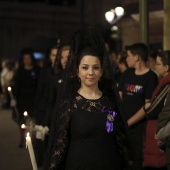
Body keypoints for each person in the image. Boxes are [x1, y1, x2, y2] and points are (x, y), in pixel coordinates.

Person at [48, 27, 135, 170]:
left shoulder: (109, 102)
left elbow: (117, 138)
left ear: (101, 72)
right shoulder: (70, 103)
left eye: (95, 68)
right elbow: (60, 145)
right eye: (85, 67)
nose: (90, 73)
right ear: (77, 71)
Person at [118, 43, 158, 170]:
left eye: (128, 55)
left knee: (136, 162)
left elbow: (147, 107)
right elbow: (119, 98)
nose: (126, 59)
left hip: (139, 130)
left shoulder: (150, 77)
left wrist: (128, 123)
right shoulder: (126, 74)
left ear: (137, 57)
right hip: (122, 127)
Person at [143, 51, 170, 170]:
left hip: (160, 138)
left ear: (167, 67)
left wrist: (147, 106)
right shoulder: (162, 81)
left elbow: (152, 111)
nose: (155, 67)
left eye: (158, 64)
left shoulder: (167, 84)